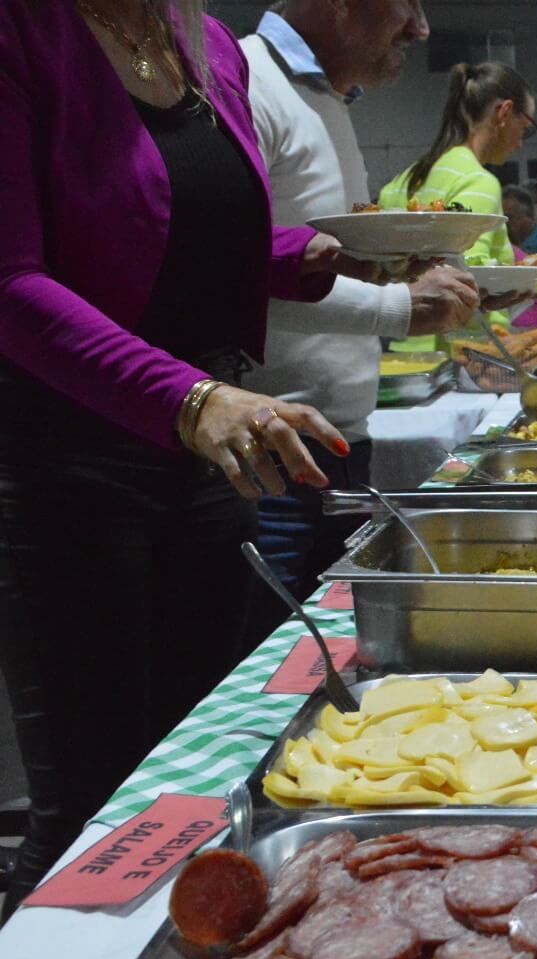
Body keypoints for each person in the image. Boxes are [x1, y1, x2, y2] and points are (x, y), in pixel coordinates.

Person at [0, 0, 366, 913]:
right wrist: (192, 399)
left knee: (197, 780)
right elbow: (12, 281)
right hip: (61, 458)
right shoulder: (21, 31)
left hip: (198, 460)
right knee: (89, 811)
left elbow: (180, 234)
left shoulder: (202, 41)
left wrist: (313, 257)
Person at [238, 0, 482, 644]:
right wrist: (401, 306)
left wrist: (400, 273)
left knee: (340, 659)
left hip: (344, 446)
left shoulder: (328, 100)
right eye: (405, 3)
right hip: (270, 456)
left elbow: (323, 262)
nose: (421, 27)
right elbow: (235, 276)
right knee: (269, 677)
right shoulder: (248, 80)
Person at [378, 61, 537, 350]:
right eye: (526, 128)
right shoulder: (478, 181)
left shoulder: (406, 178)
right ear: (505, 113)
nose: (521, 143)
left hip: (401, 348)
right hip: (455, 352)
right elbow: (472, 270)